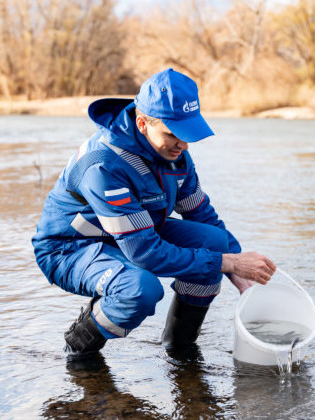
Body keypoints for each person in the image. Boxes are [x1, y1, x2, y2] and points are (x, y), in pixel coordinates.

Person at [32, 68, 276, 356]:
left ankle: (180, 348)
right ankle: (81, 348)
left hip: (136, 230)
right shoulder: (103, 164)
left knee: (214, 242)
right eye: (173, 134)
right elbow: (146, 253)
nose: (184, 146)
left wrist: (237, 267)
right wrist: (229, 264)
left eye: (188, 134)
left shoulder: (174, 154)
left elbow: (202, 214)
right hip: (70, 248)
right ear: (142, 123)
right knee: (140, 290)